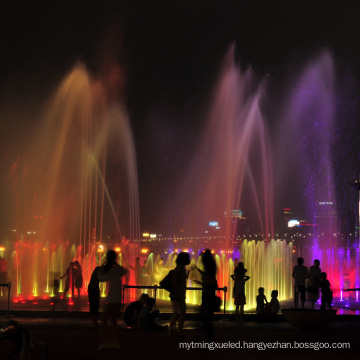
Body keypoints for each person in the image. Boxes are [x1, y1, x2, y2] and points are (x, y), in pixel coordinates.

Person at [97, 250, 128, 350]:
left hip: (112, 300)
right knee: (113, 322)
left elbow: (100, 278)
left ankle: (103, 343)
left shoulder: (110, 271)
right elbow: (124, 270)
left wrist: (102, 268)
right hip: (118, 300)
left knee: (103, 322)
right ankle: (116, 342)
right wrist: (116, 264)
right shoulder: (117, 270)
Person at [194, 249, 218, 341]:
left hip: (208, 296)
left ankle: (209, 340)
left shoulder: (210, 268)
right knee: (206, 319)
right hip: (208, 295)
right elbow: (209, 278)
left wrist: (200, 282)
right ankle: (208, 338)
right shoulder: (211, 267)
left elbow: (209, 281)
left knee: (206, 319)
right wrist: (198, 269)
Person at [168, 251, 190, 337]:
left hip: (179, 294)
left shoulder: (182, 268)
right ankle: (172, 331)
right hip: (177, 294)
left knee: (181, 312)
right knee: (177, 312)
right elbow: (174, 278)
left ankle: (177, 331)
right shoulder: (179, 268)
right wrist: (178, 288)